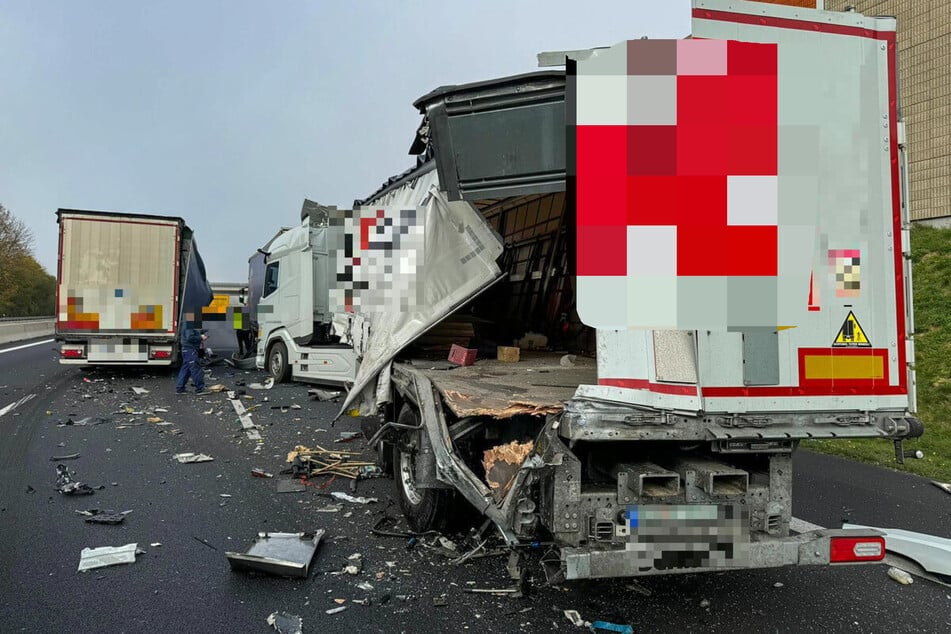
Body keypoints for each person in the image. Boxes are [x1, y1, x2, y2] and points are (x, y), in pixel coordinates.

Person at [176, 313, 208, 394]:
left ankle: (180, 388)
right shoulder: (189, 323)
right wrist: (200, 337)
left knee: (186, 369)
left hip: (187, 350)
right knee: (196, 369)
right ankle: (200, 389)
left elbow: (191, 333)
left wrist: (200, 332)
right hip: (190, 350)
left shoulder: (188, 323)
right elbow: (190, 337)